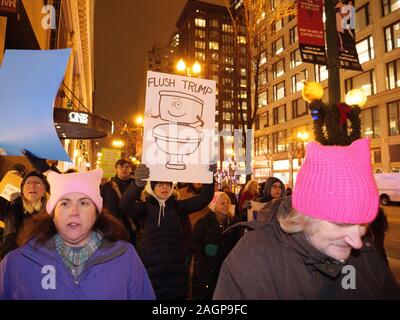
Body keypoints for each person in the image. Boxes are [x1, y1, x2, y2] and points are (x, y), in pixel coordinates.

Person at [213, 139, 400, 299]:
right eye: (341, 224)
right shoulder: (254, 259)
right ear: (305, 217)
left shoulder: (365, 255)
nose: (357, 242)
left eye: (362, 224)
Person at [0, 168, 155, 300]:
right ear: (52, 213)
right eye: (65, 203)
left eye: (84, 203)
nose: (74, 212)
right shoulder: (18, 262)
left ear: (96, 212)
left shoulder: (125, 257)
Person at [120, 164, 215, 300]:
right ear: (152, 187)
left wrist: (209, 176)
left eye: (167, 184)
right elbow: (125, 205)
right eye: (159, 184)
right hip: (151, 267)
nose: (164, 187)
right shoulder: (146, 207)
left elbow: (203, 199)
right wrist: (137, 184)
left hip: (176, 269)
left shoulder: (177, 207)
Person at [191, 192, 241, 300]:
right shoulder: (203, 222)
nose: (226, 205)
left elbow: (240, 241)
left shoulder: (235, 222)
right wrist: (205, 249)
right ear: (214, 205)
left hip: (228, 267)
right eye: (222, 203)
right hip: (208, 270)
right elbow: (194, 243)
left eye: (228, 202)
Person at [0, 171, 49, 260]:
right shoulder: (11, 207)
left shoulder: (51, 213)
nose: (32, 186)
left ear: (45, 189)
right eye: (28, 183)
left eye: (37, 183)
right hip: (9, 263)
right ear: (22, 189)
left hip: (37, 265)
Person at [100, 158, 138, 246]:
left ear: (130, 169)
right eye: (120, 167)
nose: (123, 169)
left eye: (126, 167)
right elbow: (101, 205)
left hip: (131, 226)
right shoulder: (107, 186)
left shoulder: (136, 186)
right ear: (116, 169)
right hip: (112, 226)